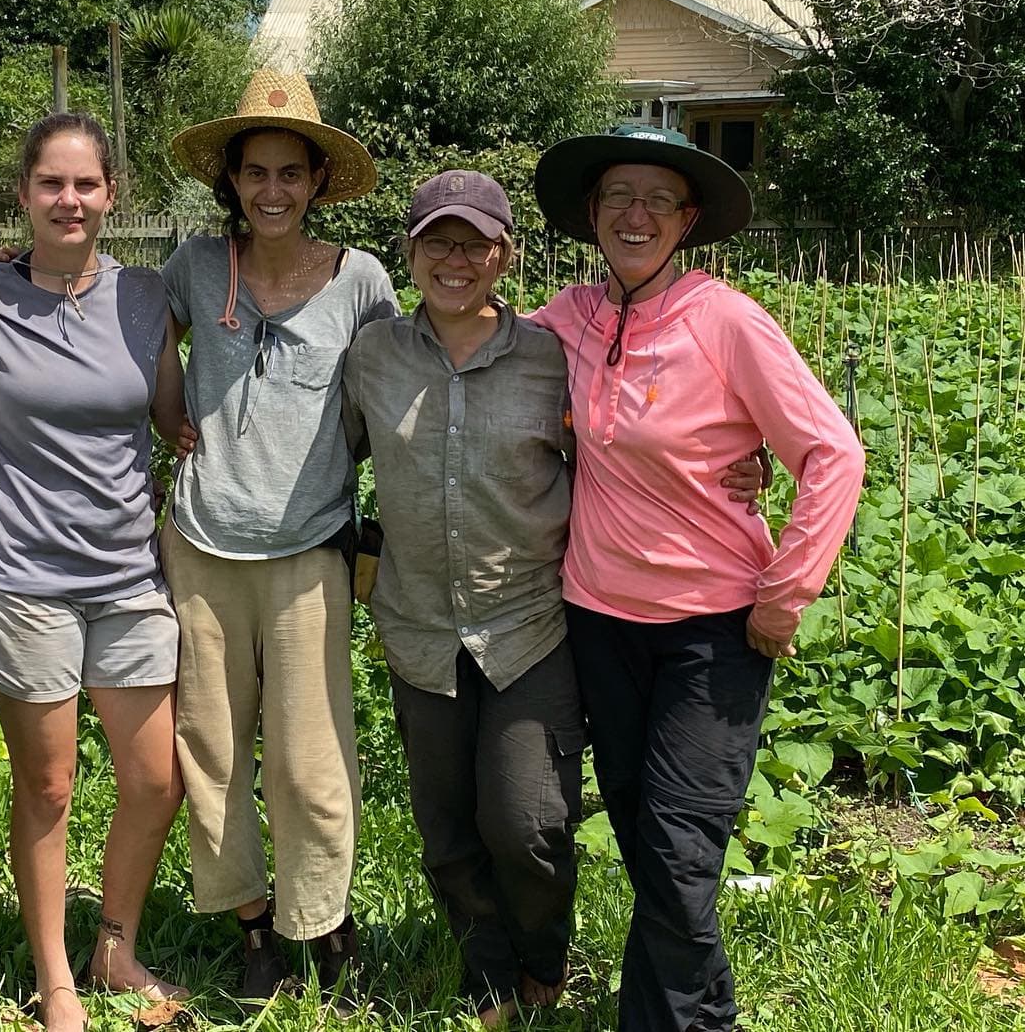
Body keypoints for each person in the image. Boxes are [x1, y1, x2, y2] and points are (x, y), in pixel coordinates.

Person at [341, 170, 766, 1027]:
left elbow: (631, 439)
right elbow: (331, 463)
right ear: (411, 252)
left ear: (506, 254)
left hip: (530, 622)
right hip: (419, 626)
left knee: (530, 818)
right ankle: (489, 971)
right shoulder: (373, 357)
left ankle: (543, 956)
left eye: (476, 243)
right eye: (438, 241)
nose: (456, 260)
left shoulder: (549, 352)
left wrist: (736, 467)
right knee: (447, 826)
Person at [529, 124, 866, 1032]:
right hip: (598, 618)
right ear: (591, 215)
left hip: (712, 629)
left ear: (686, 219)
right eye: (616, 199)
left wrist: (783, 597)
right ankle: (689, 1009)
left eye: (656, 200)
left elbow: (833, 453)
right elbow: (478, 360)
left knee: (681, 851)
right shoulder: (569, 319)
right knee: (647, 841)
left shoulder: (726, 320)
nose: (634, 216)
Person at [0, 112, 190, 1032]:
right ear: (25, 194)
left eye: (87, 184)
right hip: (24, 571)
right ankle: (56, 980)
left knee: (155, 778)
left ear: (112, 195)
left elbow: (169, 417)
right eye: (53, 183)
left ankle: (115, 945)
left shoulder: (147, 296)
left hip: (129, 571)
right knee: (45, 786)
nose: (70, 200)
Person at [159, 69, 397, 1004]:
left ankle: (325, 923)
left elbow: (393, 388)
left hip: (309, 550)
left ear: (316, 182)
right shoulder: (192, 264)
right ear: (232, 180)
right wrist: (168, 420)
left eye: (289, 173)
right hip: (203, 540)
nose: (271, 191)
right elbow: (150, 345)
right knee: (210, 743)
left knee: (310, 755)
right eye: (255, 172)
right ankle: (253, 923)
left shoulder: (360, 279)